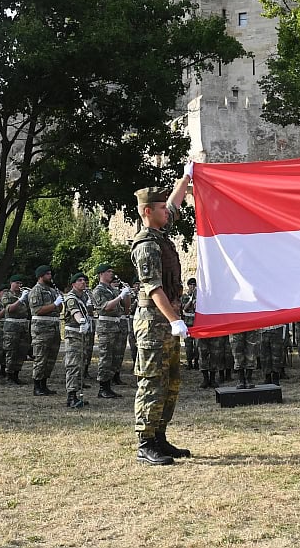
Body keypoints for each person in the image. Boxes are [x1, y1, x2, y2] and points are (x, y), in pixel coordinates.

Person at [131, 172, 192, 466]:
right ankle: (145, 442)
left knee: (170, 382)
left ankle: (159, 436)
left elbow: (175, 205)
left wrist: (186, 177)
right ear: (147, 211)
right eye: (160, 208)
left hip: (166, 320)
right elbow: (153, 287)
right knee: (152, 381)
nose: (167, 211)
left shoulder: (160, 236)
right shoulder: (146, 244)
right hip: (153, 322)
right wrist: (174, 320)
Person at [91, 265, 129, 398]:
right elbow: (106, 307)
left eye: (112, 271)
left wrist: (126, 294)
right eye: (108, 272)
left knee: (114, 357)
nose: (111, 274)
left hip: (116, 326)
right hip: (106, 327)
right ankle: (103, 387)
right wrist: (120, 296)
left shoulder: (112, 290)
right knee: (106, 357)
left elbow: (126, 308)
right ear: (101, 274)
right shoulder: (98, 290)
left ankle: (109, 385)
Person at [28, 265, 63, 396]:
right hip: (41, 328)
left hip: (53, 327)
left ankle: (44, 384)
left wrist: (59, 302)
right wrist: (54, 304)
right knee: (41, 357)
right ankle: (37, 386)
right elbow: (37, 310)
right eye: (47, 274)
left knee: (50, 358)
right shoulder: (36, 290)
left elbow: (59, 310)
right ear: (41, 276)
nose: (50, 276)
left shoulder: (52, 290)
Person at [62, 271, 92, 408]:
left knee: (80, 364)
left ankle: (77, 394)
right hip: (73, 334)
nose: (83, 282)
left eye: (84, 280)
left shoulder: (84, 296)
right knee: (73, 365)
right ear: (73, 284)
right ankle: (71, 396)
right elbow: (75, 312)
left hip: (81, 334)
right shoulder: (71, 297)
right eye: (79, 280)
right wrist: (81, 321)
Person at [0, 275, 30, 385]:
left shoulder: (23, 294)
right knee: (11, 352)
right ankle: (9, 375)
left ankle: (16, 374)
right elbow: (9, 309)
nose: (19, 285)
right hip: (11, 327)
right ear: (11, 283)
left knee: (21, 352)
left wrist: (27, 297)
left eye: (20, 283)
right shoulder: (6, 295)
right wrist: (21, 300)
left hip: (23, 326)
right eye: (17, 283)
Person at [181, 277, 199, 369]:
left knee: (197, 345)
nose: (192, 286)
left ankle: (196, 362)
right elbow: (184, 308)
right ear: (188, 286)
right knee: (188, 345)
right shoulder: (184, 296)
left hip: (196, 323)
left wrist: (196, 299)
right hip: (187, 323)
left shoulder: (199, 297)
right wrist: (191, 299)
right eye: (191, 284)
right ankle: (189, 363)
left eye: (194, 285)